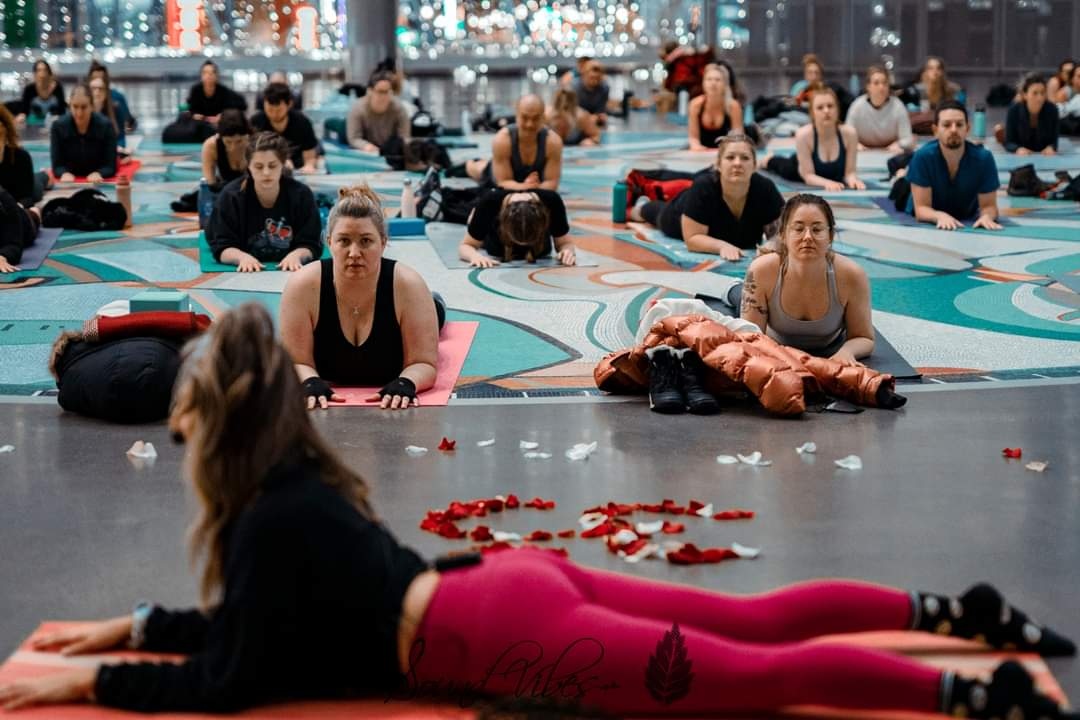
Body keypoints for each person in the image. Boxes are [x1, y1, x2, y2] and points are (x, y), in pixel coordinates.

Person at [0, 302, 1076, 718]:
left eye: (186, 398)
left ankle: (964, 696)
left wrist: (85, 679)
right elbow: (252, 637)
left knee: (762, 679)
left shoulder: (267, 523)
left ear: (220, 415)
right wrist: (127, 627)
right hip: (498, 595)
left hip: (500, 629)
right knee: (750, 623)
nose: (173, 412)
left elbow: (229, 681)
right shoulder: (287, 497)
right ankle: (953, 611)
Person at [280, 185, 441, 410]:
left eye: (365, 241)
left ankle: (436, 306)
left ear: (383, 243)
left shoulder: (409, 285)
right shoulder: (302, 286)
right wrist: (309, 381)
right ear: (329, 242)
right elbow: (295, 361)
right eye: (344, 241)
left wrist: (408, 381)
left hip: (412, 306)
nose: (354, 253)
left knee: (435, 311)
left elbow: (423, 363)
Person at [738, 193, 873, 364]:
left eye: (817, 229)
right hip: (774, 337)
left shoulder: (852, 275)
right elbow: (750, 336)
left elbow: (864, 338)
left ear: (830, 236)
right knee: (736, 294)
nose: (807, 237)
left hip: (828, 346)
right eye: (798, 229)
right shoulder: (761, 270)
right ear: (783, 235)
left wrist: (847, 352)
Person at [632, 134, 783, 260]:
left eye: (745, 158)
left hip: (728, 232)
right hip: (678, 215)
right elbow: (692, 239)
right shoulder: (703, 186)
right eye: (730, 157)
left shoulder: (765, 188)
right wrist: (721, 246)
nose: (737, 163)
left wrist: (772, 245)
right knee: (654, 212)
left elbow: (783, 233)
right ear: (718, 164)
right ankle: (639, 208)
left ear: (755, 165)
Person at [205, 132, 321, 272]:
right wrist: (241, 257)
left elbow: (311, 242)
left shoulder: (302, 195)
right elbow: (221, 246)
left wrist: (297, 255)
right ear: (248, 166)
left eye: (272, 166)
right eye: (259, 167)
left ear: (283, 164)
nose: (266, 173)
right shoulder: (231, 197)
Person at [907, 101, 1001, 231]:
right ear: (935, 130)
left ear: (967, 129)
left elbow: (989, 206)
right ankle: (901, 174)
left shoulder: (984, 158)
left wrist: (987, 217)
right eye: (946, 125)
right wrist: (939, 216)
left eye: (959, 124)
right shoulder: (922, 157)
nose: (953, 130)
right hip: (914, 198)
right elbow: (921, 209)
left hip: (964, 211)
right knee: (901, 184)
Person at [762, 87, 865, 192]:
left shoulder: (849, 133)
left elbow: (849, 173)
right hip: (798, 168)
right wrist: (827, 183)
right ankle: (769, 159)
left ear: (837, 109)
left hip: (825, 172)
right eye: (820, 108)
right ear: (812, 113)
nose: (826, 111)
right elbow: (808, 176)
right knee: (783, 168)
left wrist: (853, 181)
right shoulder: (803, 134)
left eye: (830, 106)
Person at [458, 188, 577, 267]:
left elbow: (564, 243)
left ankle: (474, 221)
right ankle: (472, 220)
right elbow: (466, 245)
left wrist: (567, 251)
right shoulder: (490, 203)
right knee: (474, 223)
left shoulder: (551, 201)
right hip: (497, 246)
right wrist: (475, 256)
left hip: (539, 250)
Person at [49, 83, 118, 183]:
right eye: (75, 107)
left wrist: (100, 173)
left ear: (91, 106)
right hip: (70, 174)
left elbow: (111, 166)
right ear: (69, 106)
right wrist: (63, 173)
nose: (79, 113)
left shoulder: (106, 126)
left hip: (96, 172)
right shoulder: (58, 127)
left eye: (84, 107)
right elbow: (56, 165)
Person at [250, 82, 319, 173]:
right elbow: (250, 156)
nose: (274, 114)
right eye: (270, 109)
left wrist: (309, 166)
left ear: (289, 104)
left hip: (297, 170)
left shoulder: (302, 122)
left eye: (278, 110)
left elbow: (310, 158)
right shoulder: (255, 123)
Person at [846, 65, 915, 152]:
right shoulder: (857, 106)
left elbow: (908, 139)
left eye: (884, 83)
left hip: (890, 154)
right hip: (863, 155)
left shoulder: (898, 106)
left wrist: (899, 144)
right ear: (868, 86)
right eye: (876, 83)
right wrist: (855, 144)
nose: (881, 87)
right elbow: (846, 136)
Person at [346, 71, 411, 153]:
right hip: (363, 136)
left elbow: (404, 137)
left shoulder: (399, 109)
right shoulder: (357, 108)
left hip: (387, 143)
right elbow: (354, 138)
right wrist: (365, 146)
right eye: (380, 92)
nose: (384, 96)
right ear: (370, 91)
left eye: (387, 92)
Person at [687, 63, 744, 151]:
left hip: (726, 151)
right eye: (709, 79)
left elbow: (738, 139)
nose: (713, 83)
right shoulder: (695, 105)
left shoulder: (733, 106)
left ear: (725, 85)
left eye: (717, 80)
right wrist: (698, 149)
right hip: (703, 149)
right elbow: (694, 139)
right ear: (703, 83)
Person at [1002, 74, 1059, 156]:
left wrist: (1051, 147)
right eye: (1035, 93)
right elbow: (1009, 142)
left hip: (1043, 155)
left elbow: (1054, 142)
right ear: (1025, 95)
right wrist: (1017, 149)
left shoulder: (1053, 110)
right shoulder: (1014, 110)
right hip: (1022, 155)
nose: (1040, 98)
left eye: (1042, 93)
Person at [185, 61, 247, 125]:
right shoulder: (196, 90)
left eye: (212, 72)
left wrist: (223, 115)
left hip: (220, 124)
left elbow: (241, 104)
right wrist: (195, 115)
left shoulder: (223, 91)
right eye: (205, 73)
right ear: (201, 75)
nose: (209, 75)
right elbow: (191, 109)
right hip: (200, 124)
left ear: (217, 75)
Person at [200, 109, 251, 186]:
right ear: (220, 137)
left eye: (239, 141)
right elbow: (210, 183)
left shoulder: (257, 143)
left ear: (248, 136)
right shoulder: (211, 146)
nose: (233, 148)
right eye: (228, 142)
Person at [0, 105, 36, 205]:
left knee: (39, 182)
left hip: (19, 195)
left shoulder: (21, 157)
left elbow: (27, 198)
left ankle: (46, 176)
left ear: (4, 130)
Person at [88, 61, 135, 135]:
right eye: (95, 79)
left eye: (102, 79)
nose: (98, 81)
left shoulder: (117, 99)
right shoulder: (83, 102)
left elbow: (127, 122)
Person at [0, 187, 40, 273]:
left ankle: (35, 212)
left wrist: (2, 256)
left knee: (33, 216)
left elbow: (14, 245)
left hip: (25, 224)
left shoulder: (4, 200)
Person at [574, 59, 620, 126]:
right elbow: (571, 111)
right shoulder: (574, 88)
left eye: (597, 78)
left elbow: (601, 110)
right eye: (592, 78)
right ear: (584, 75)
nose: (595, 81)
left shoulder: (604, 88)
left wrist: (599, 116)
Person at [88, 74, 125, 149]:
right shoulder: (84, 110)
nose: (97, 92)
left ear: (106, 92)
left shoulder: (116, 109)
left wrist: (118, 147)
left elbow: (121, 137)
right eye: (93, 88)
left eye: (100, 88)